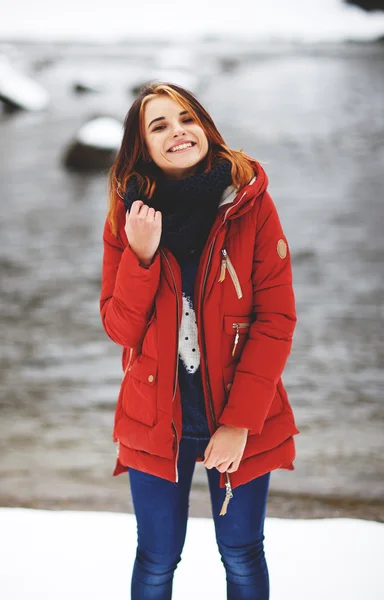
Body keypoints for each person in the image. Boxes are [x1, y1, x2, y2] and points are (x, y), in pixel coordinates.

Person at [100, 82, 300, 600]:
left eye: (186, 118)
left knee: (241, 552)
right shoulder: (130, 216)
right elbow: (120, 328)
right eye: (159, 125)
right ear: (142, 146)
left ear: (204, 126)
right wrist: (139, 257)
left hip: (240, 411)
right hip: (154, 414)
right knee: (157, 558)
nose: (178, 132)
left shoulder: (249, 202)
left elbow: (275, 320)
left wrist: (238, 424)